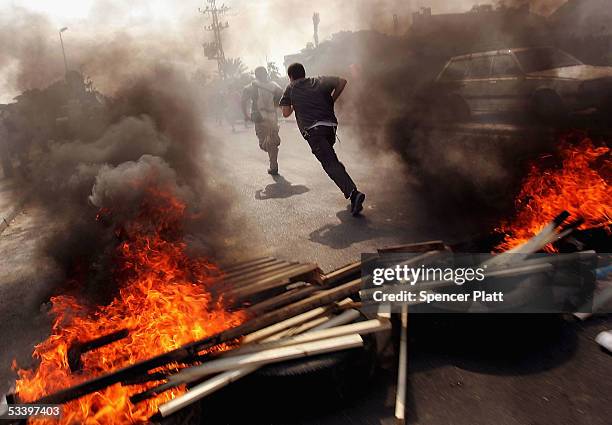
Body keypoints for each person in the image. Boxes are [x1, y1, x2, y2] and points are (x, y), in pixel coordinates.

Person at [279, 63, 365, 216]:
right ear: (304, 73)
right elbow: (342, 81)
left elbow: (285, 113)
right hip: (330, 127)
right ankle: (346, 183)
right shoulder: (319, 80)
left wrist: (294, 105)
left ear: (290, 77)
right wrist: (332, 99)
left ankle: (354, 193)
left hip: (314, 131)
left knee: (330, 163)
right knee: (331, 159)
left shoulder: (291, 88)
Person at [242, 67, 283, 175]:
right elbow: (281, 95)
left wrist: (245, 114)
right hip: (273, 117)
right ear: (266, 74)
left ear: (256, 75)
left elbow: (243, 99)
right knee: (272, 143)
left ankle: (273, 165)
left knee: (263, 144)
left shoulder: (251, 86)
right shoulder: (274, 85)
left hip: (260, 118)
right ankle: (273, 165)